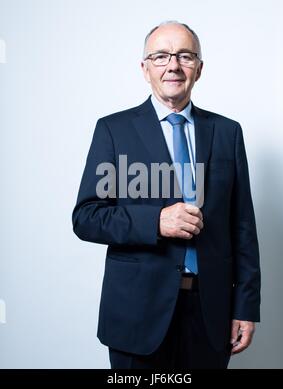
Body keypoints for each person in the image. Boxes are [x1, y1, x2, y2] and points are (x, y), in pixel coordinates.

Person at [72, 21, 261, 369]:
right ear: (145, 69)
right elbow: (86, 217)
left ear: (199, 69)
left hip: (210, 315)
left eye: (184, 56)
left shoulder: (228, 132)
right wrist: (156, 222)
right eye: (161, 56)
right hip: (136, 315)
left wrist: (246, 307)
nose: (173, 65)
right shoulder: (113, 130)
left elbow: (243, 227)